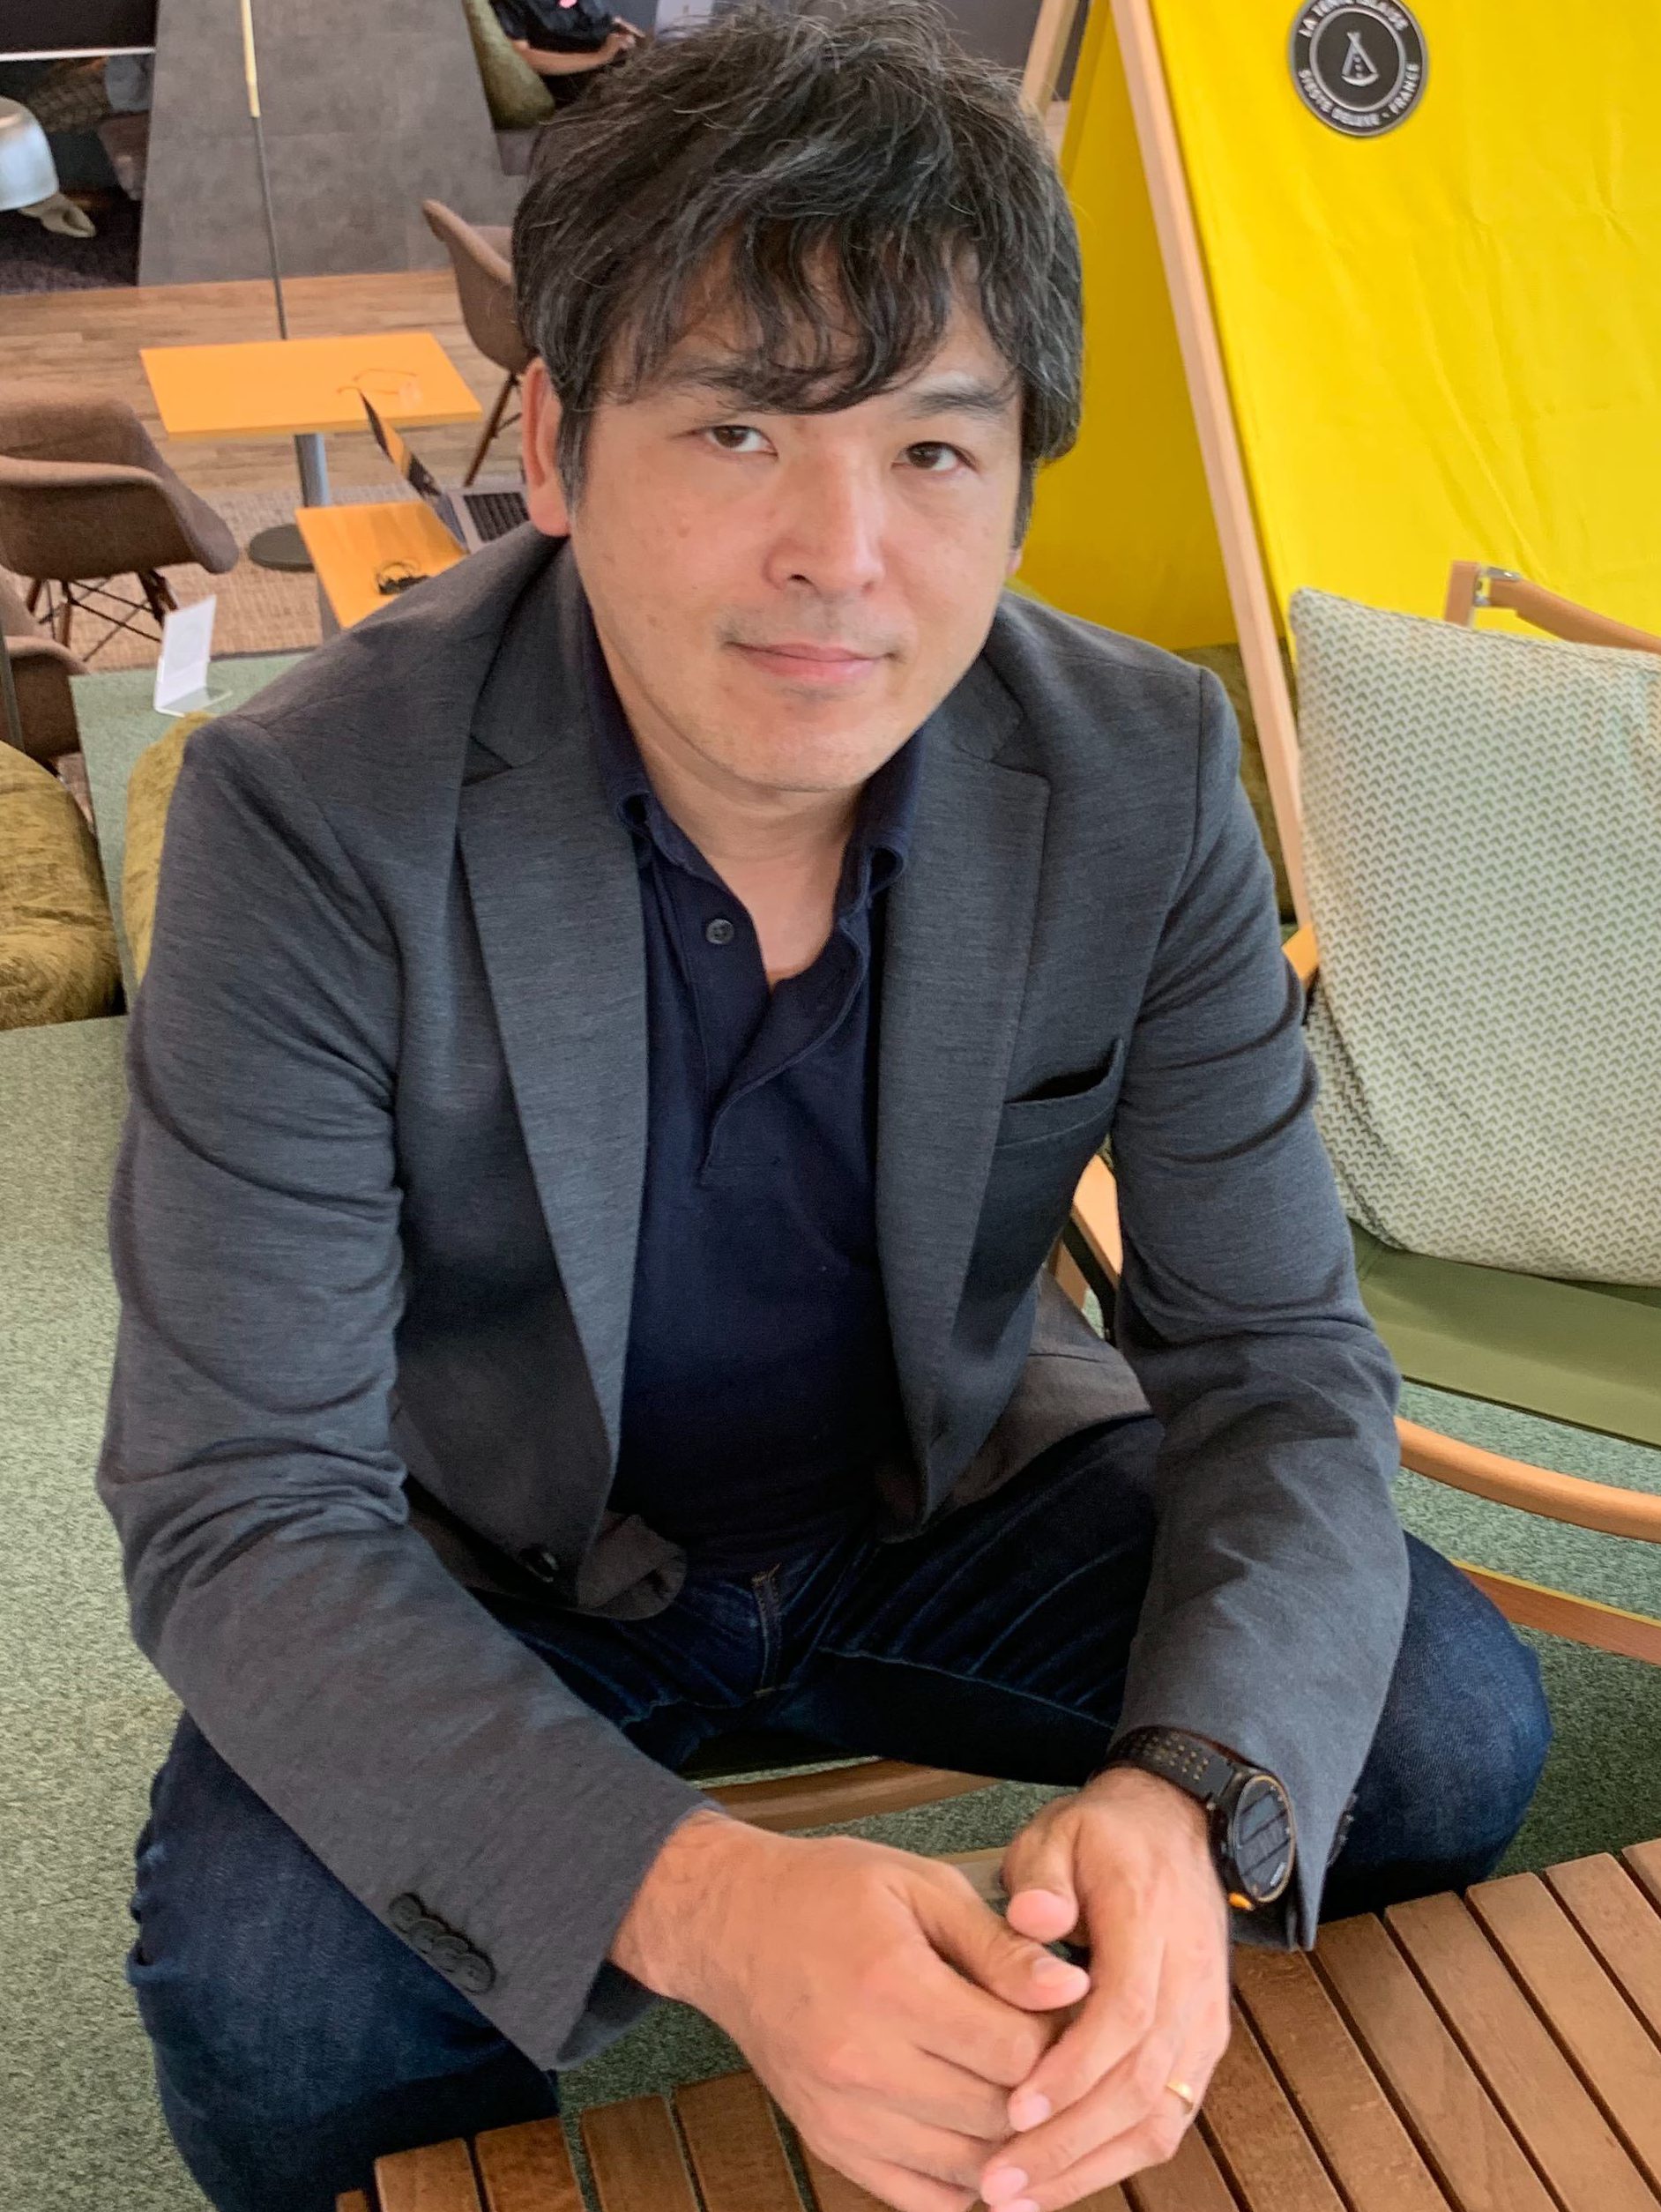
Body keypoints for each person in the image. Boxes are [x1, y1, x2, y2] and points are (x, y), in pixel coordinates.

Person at [99, 7, 1552, 2212]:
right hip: (499, 1554)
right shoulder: (311, 818)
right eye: (740, 430)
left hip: (944, 1490)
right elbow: (236, 1506)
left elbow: (1278, 1360)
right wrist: (699, 1901)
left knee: (1432, 1720)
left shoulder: (1141, 775)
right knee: (273, 1990)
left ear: (1021, 483)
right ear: (557, 444)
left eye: (935, 450)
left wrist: (1182, 1802)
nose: (842, 553)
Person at [489, 0, 644, 106]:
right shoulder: (510, 4)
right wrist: (600, 57)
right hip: (577, 74)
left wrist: (626, 30)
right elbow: (523, 56)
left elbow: (608, 18)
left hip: (618, 53)